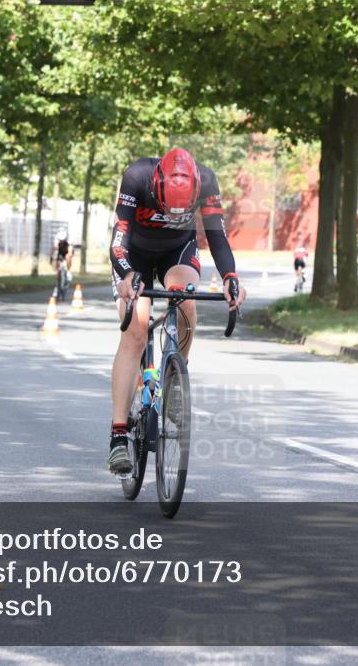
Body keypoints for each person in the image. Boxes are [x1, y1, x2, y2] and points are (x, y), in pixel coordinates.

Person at [106, 148, 246, 475]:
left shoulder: (207, 179)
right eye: (167, 207)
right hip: (133, 254)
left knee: (186, 299)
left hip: (177, 250)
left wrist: (230, 277)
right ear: (157, 185)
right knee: (136, 332)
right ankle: (117, 437)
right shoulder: (138, 176)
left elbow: (217, 235)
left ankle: (174, 380)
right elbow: (118, 240)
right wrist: (127, 274)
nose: (171, 213)